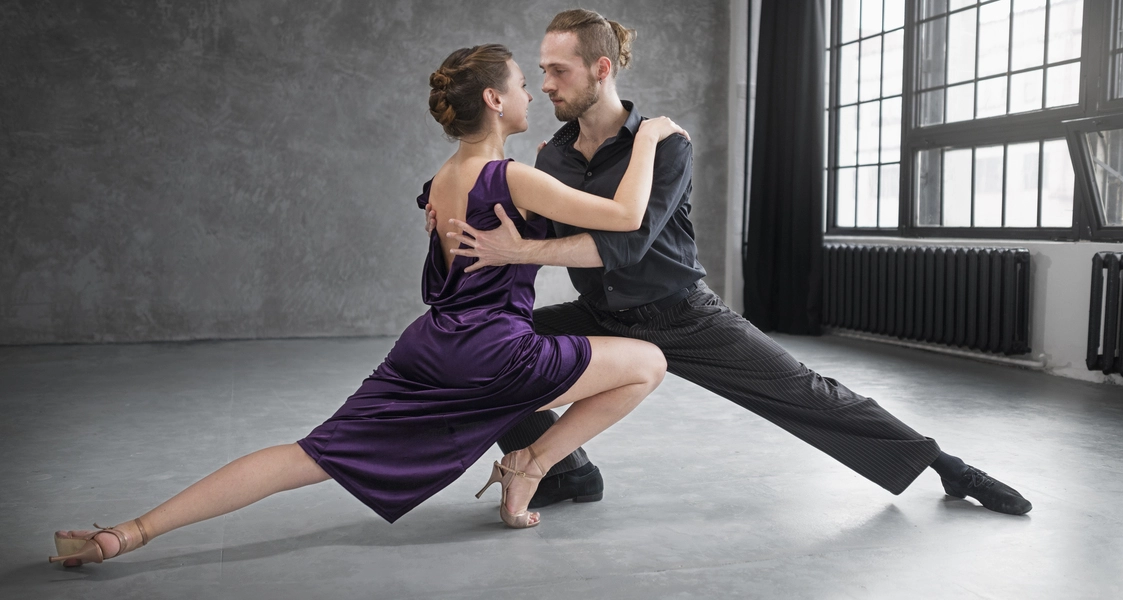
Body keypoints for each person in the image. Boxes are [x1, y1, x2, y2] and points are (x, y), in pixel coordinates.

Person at [48, 43, 691, 567]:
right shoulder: (512, 177)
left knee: (308, 455)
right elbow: (626, 217)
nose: (532, 94)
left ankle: (128, 533)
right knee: (649, 363)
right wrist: (650, 138)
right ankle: (532, 462)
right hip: (494, 352)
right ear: (496, 101)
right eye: (524, 84)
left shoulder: (442, 179)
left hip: (430, 346)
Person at [438, 9, 1033, 516]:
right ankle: (567, 473)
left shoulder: (666, 144)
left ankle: (948, 467)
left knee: (809, 393)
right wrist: (451, 209)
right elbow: (531, 229)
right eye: (541, 71)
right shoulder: (554, 157)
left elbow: (627, 244)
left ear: (601, 69)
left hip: (679, 315)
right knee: (483, 353)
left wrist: (520, 249)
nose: (545, 84)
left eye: (558, 70)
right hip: (600, 313)